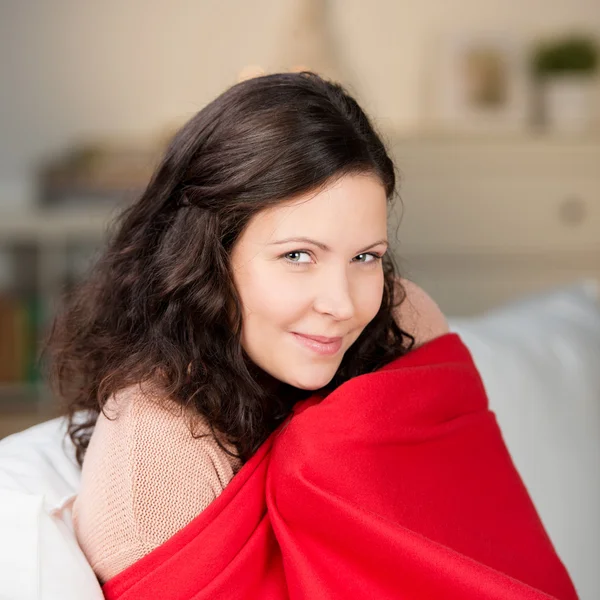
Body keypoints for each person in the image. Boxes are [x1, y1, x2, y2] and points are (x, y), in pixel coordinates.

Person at [42, 71, 447, 584]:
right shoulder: (155, 467)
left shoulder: (403, 322)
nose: (342, 304)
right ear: (206, 257)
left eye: (365, 256)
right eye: (298, 255)